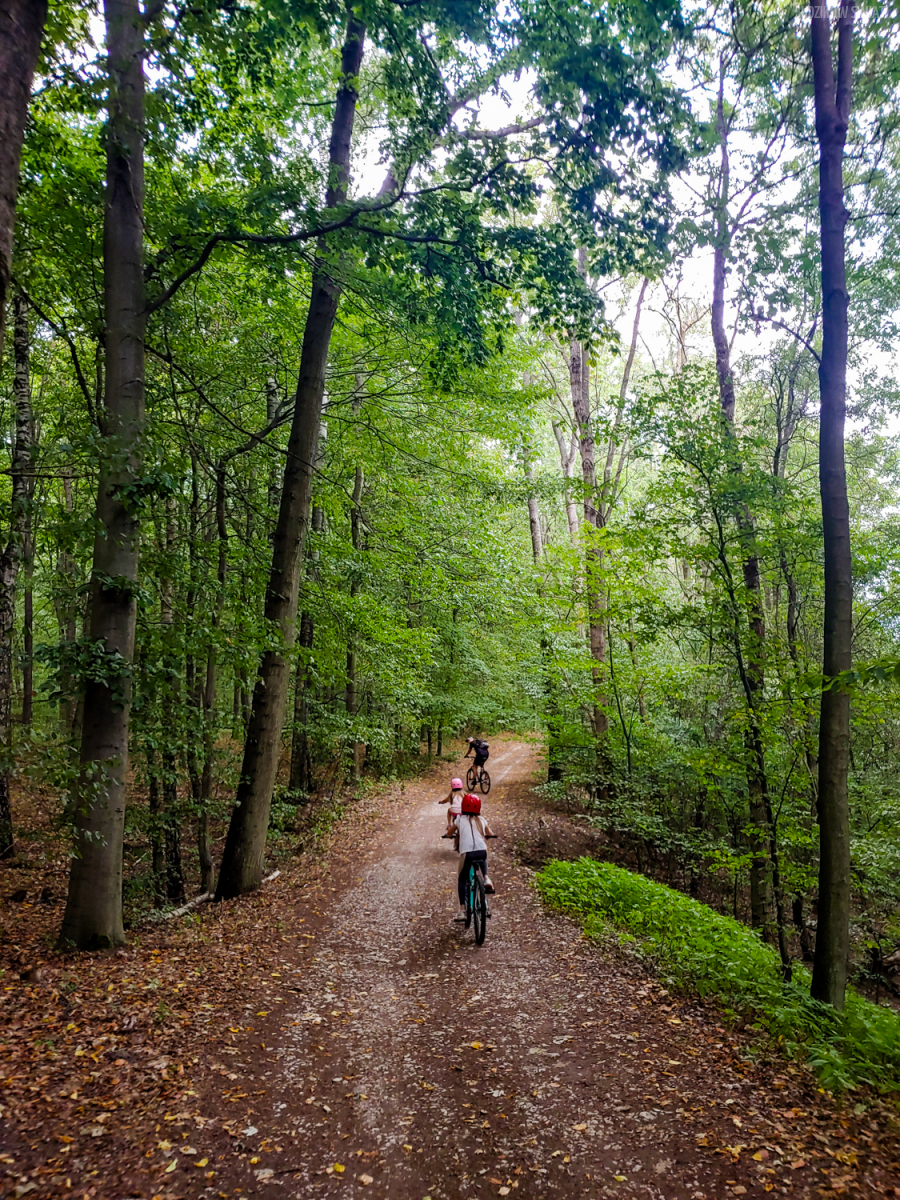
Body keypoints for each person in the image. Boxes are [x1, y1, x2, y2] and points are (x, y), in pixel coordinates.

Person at [453, 792, 495, 921]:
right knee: (483, 855)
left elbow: (450, 832)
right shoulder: (481, 820)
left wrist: (449, 835)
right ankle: (486, 878)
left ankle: (462, 910)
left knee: (462, 878)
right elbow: (490, 833)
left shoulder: (459, 820)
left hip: (467, 853)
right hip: (481, 851)